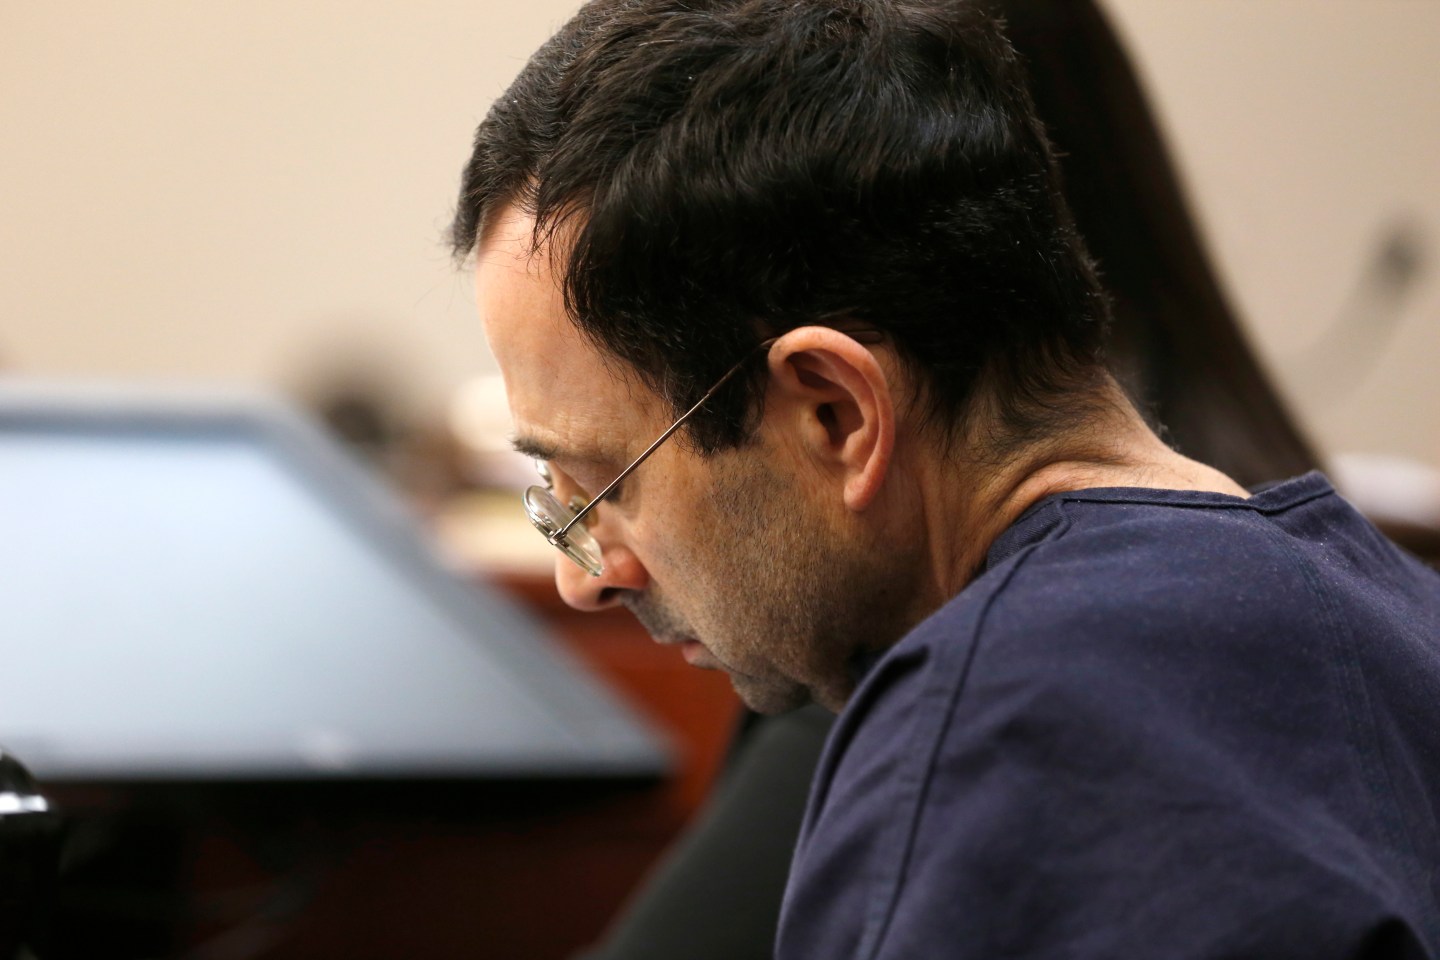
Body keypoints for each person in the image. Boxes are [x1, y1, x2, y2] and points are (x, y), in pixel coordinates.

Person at [452, 0, 1440, 956]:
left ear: (834, 412)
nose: (590, 574)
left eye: (600, 484)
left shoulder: (994, 736)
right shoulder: (1396, 614)